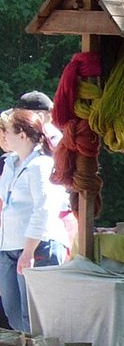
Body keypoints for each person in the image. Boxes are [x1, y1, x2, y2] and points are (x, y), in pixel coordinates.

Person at [0, 110, 71, 332]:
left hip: (37, 247)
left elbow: (44, 210)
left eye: (8, 132)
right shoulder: (11, 163)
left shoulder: (41, 165)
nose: (4, 137)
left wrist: (28, 252)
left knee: (37, 317)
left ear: (22, 135)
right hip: (9, 246)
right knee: (13, 313)